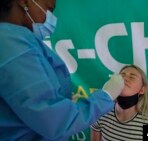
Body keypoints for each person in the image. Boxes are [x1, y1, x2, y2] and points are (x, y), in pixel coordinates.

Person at [0, 0, 124, 140]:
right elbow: (54, 121)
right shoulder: (11, 45)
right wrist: (106, 95)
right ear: (23, 2)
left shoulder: (18, 41)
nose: (51, 18)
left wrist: (63, 101)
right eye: (49, 9)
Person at [91, 64, 148, 141]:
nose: (124, 78)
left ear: (142, 90)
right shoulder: (101, 113)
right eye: (121, 76)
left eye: (132, 77)